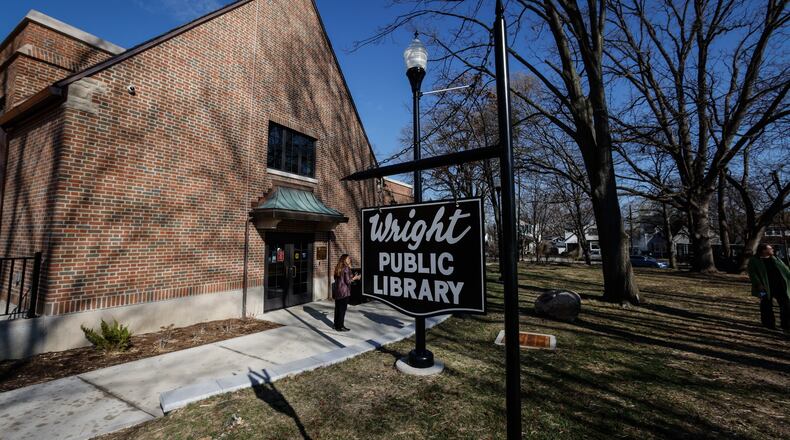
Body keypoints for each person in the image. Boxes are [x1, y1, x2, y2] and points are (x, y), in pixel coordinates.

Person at [747, 243, 790, 333]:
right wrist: (758, 284)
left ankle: (786, 324)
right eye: (770, 248)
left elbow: (786, 270)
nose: (772, 250)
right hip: (764, 288)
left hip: (780, 287)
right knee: (766, 304)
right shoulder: (754, 260)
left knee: (786, 304)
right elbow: (753, 274)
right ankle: (769, 324)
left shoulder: (775, 259)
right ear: (763, 250)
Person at [332, 254, 360, 331]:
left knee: (337, 309)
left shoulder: (338, 267)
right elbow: (348, 281)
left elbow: (336, 279)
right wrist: (355, 278)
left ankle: (336, 325)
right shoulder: (346, 268)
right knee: (342, 310)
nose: (349, 260)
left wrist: (350, 270)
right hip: (344, 292)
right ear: (344, 260)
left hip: (337, 292)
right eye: (348, 259)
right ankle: (340, 326)